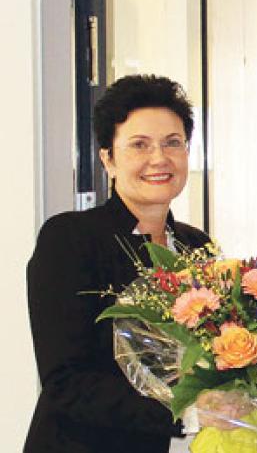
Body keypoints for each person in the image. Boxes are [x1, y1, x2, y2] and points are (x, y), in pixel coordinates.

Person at [25, 75, 211, 452]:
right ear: (108, 158)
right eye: (139, 145)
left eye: (173, 143)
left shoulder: (198, 247)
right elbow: (67, 381)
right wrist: (185, 415)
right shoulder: (71, 239)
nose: (159, 158)